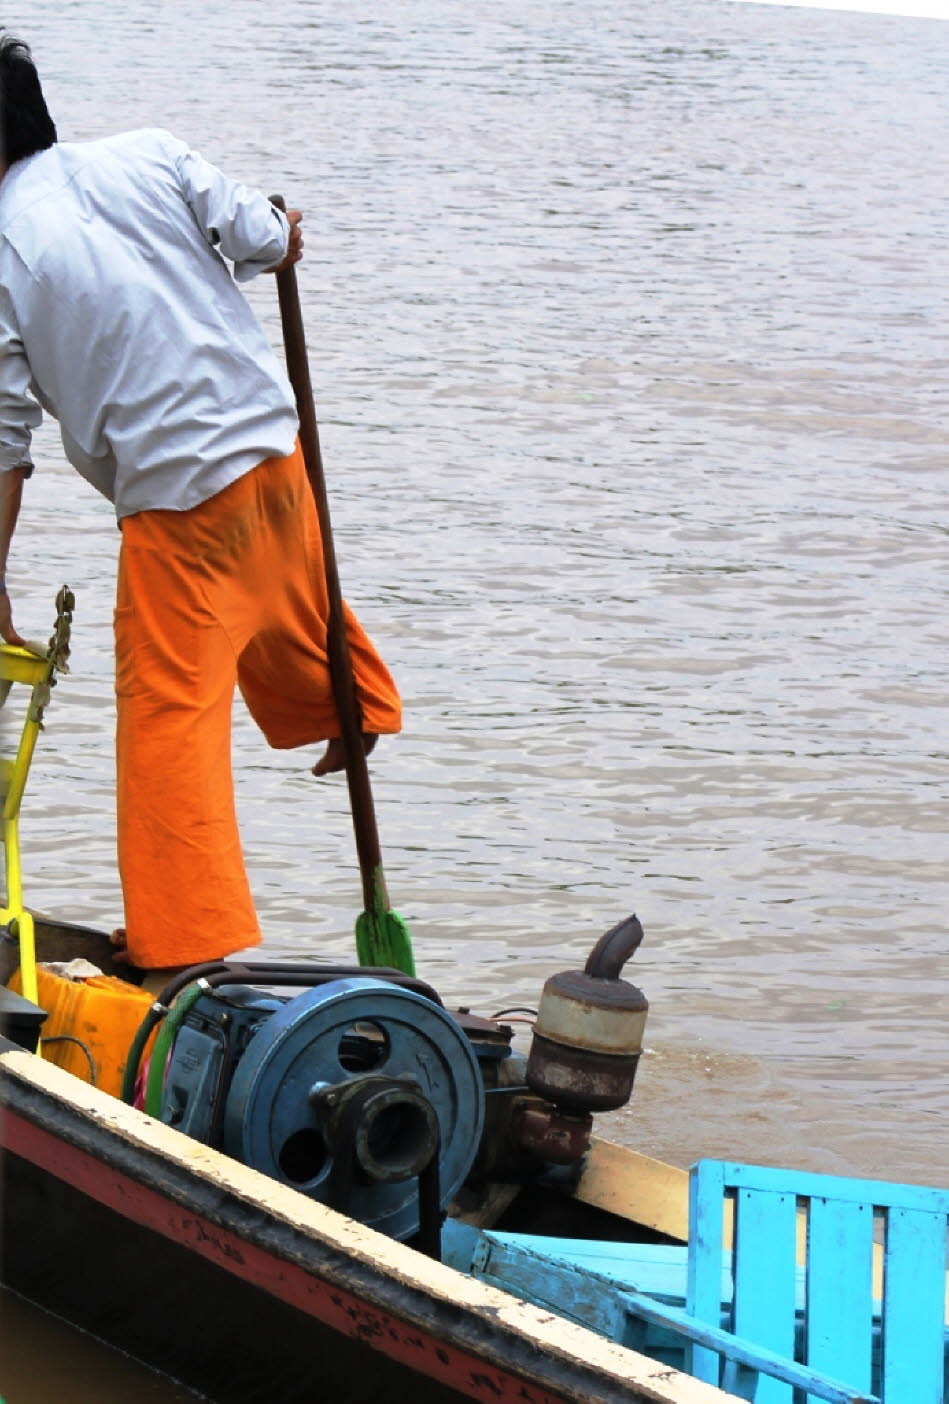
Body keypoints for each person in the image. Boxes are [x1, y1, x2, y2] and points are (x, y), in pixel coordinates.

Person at [0, 34, 402, 980]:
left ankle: (182, 946)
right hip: (272, 449)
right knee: (284, 603)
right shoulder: (146, 149)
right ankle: (354, 703)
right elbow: (264, 237)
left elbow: (3, 443)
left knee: (166, 713)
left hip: (174, 500)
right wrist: (283, 229)